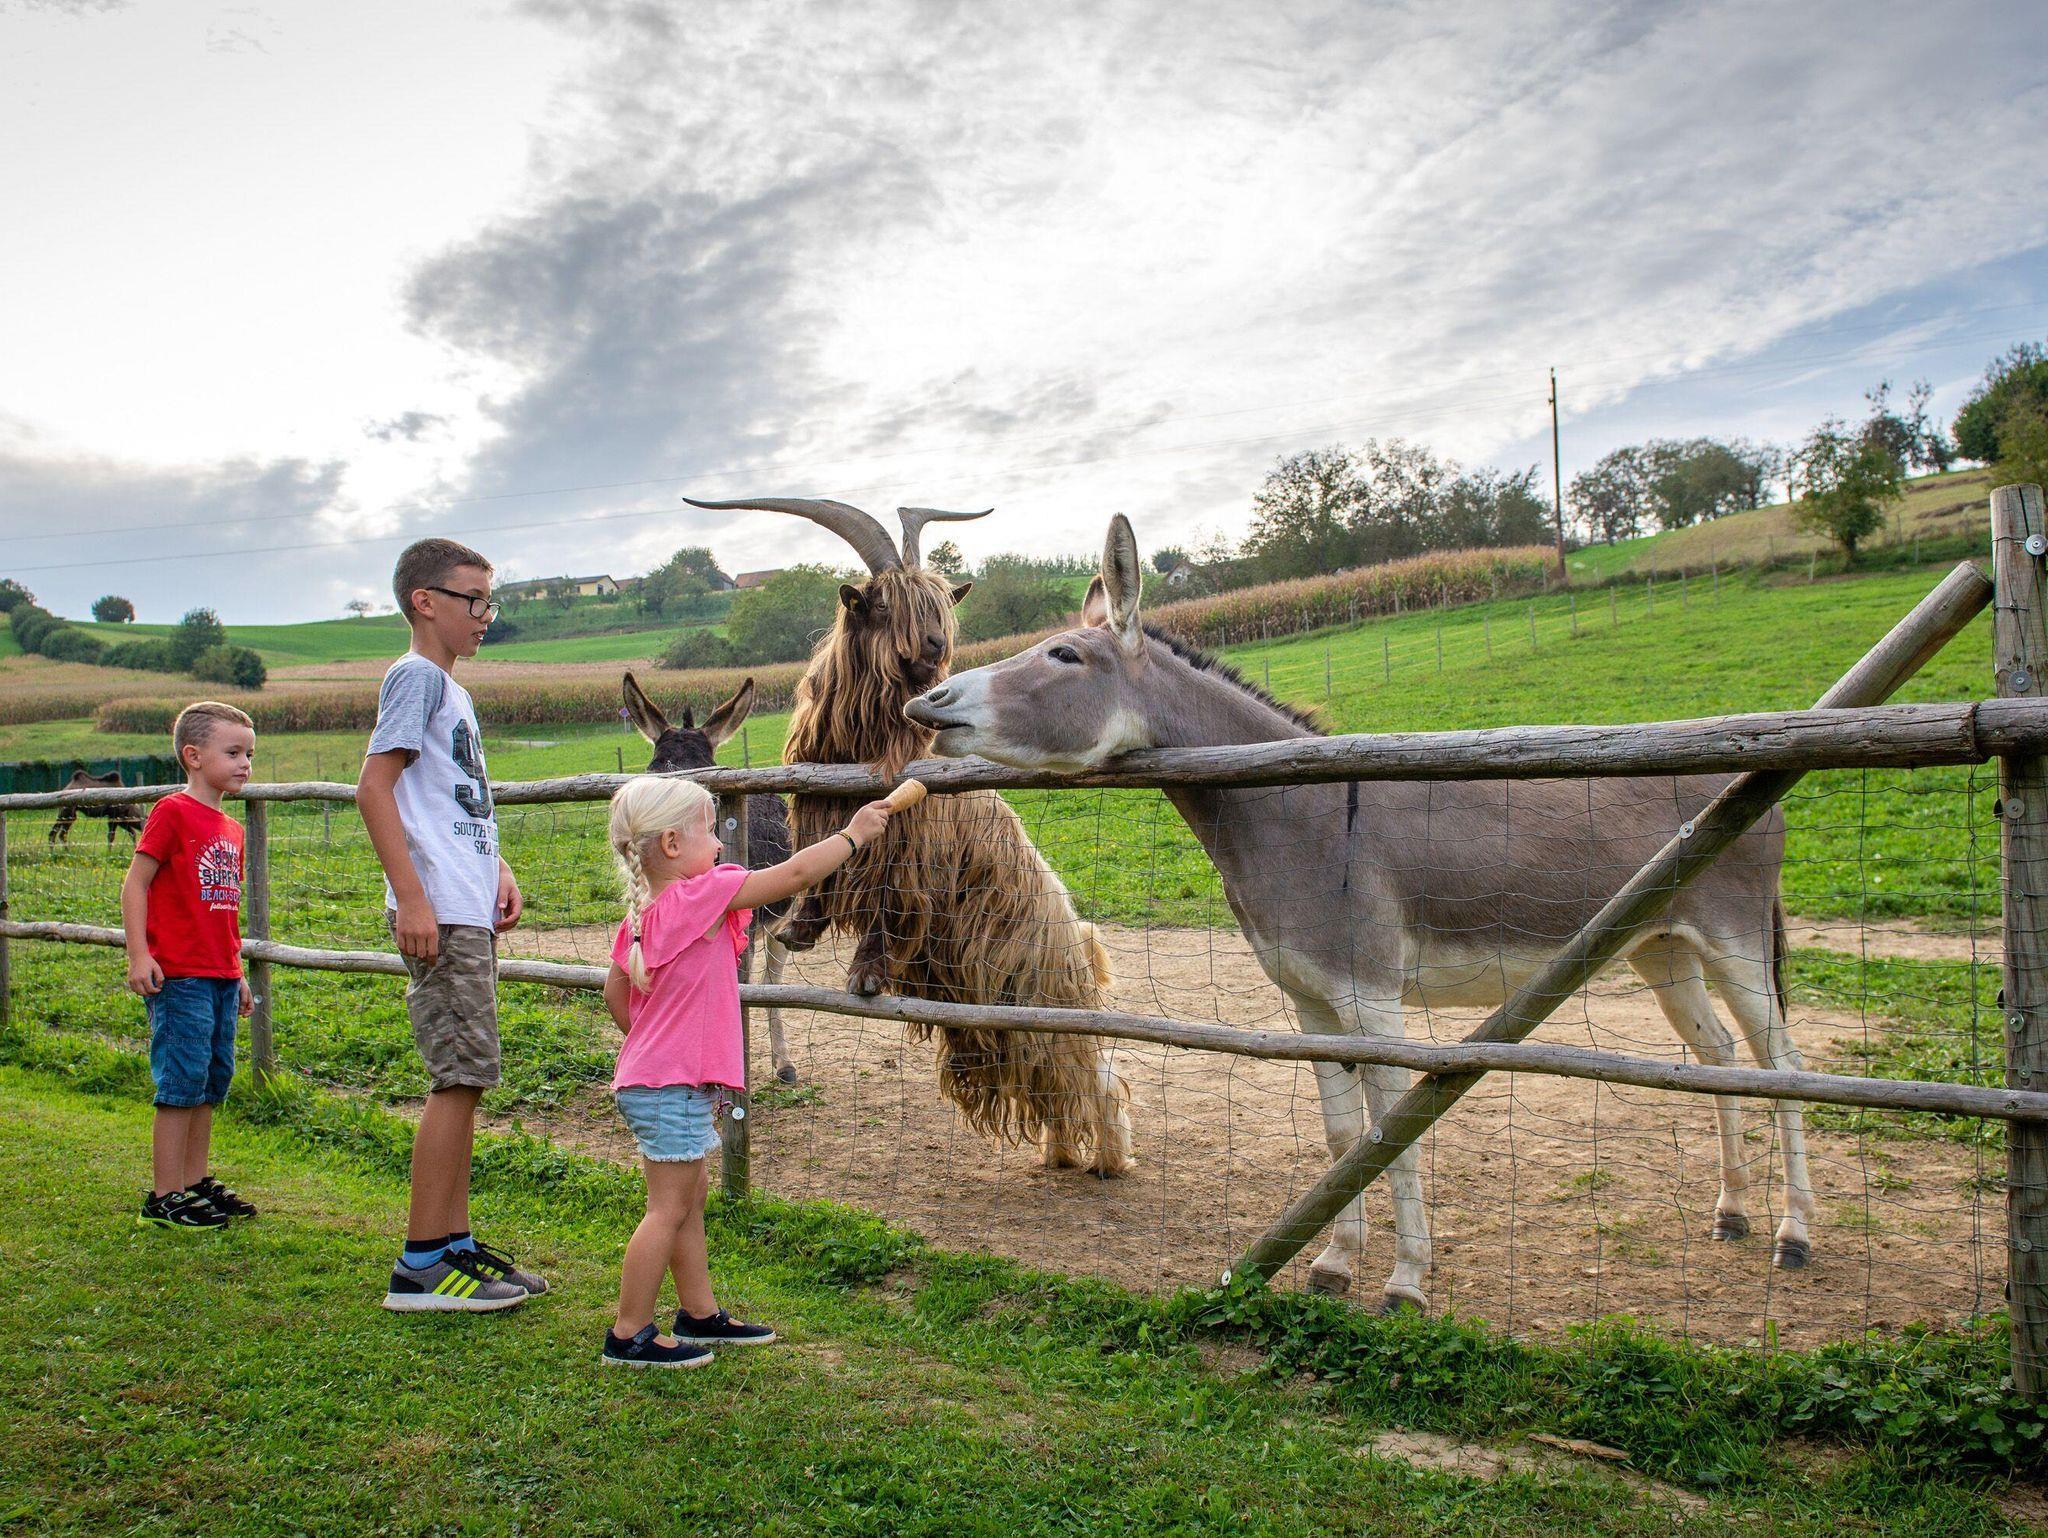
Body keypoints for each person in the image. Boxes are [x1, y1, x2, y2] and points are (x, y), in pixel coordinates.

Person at [600, 775, 895, 1368]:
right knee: (668, 1209)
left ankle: (699, 1312)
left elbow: (616, 993)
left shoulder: (643, 914)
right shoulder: (702, 895)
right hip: (668, 1085)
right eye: (710, 831)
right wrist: (853, 835)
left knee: (689, 1198)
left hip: (653, 1080)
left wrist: (655, 1044)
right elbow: (794, 875)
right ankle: (629, 1332)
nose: (720, 843)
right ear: (672, 845)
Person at [360, 537, 542, 1313]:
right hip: (440, 910)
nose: (485, 615)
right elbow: (374, 789)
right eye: (473, 600)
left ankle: (454, 1245)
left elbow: (451, 800)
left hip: (466, 904)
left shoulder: (450, 691)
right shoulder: (417, 677)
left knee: (470, 1078)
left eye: (489, 601)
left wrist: (496, 867)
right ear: (424, 601)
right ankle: (421, 1266)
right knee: (458, 1080)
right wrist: (415, 898)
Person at [124, 701, 259, 1231]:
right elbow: (136, 883)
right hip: (179, 976)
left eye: (249, 754)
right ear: (194, 756)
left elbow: (224, 910)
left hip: (220, 975)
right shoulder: (172, 812)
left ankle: (195, 1182)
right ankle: (164, 1196)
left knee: (209, 1079)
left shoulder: (231, 828)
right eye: (234, 752)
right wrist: (140, 954)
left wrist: (237, 971)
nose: (245, 763)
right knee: (180, 1081)